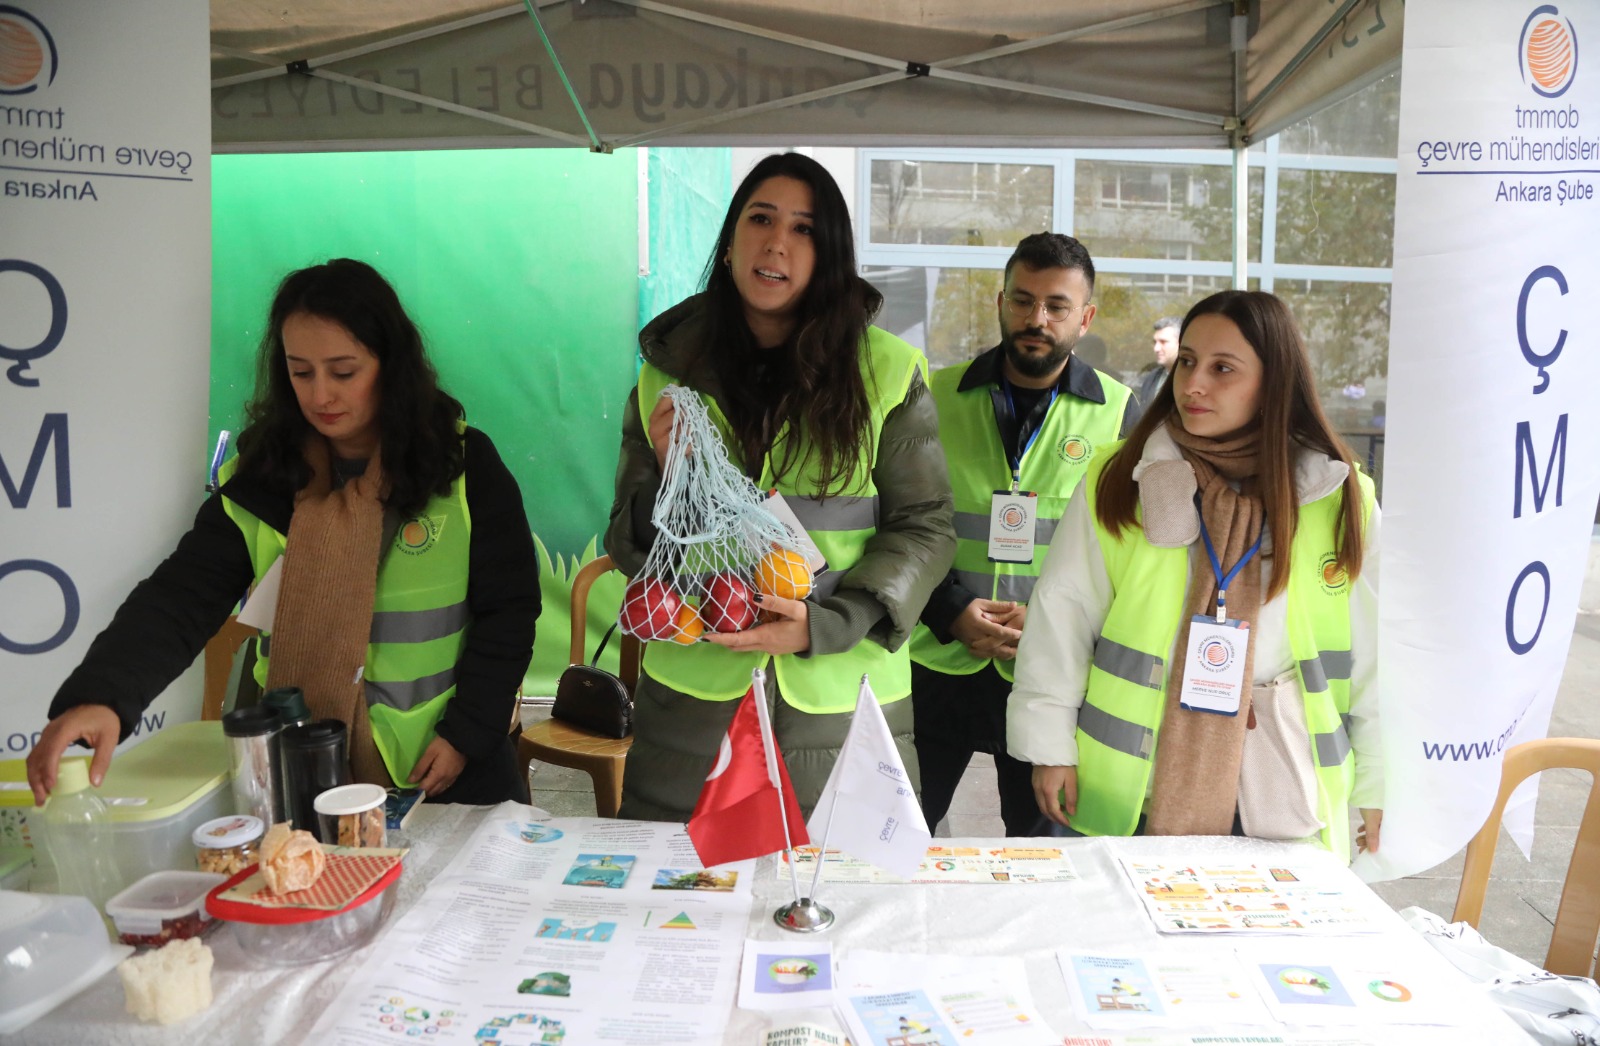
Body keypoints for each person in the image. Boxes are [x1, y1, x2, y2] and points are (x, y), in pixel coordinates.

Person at [26, 259, 540, 806]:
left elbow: (509, 610)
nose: (321, 395)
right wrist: (103, 696)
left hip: (447, 768)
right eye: (301, 372)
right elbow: (181, 596)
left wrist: (465, 733)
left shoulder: (460, 465)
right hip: (306, 771)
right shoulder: (265, 476)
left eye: (343, 372)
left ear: (390, 365)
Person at [604, 152, 956, 822]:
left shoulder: (887, 370)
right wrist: (667, 474)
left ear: (829, 255)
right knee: (684, 902)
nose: (776, 243)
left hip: (841, 700)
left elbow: (926, 525)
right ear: (731, 239)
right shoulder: (665, 377)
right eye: (760, 219)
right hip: (694, 705)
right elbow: (629, 540)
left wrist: (830, 622)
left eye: (804, 230)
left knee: (847, 903)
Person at [1007, 290, 1382, 859]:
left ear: (1275, 381)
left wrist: (1378, 784)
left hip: (1284, 788)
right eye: (1186, 361)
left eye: (1222, 368)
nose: (1192, 384)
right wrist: (1050, 745)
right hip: (1136, 787)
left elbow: (1379, 656)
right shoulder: (1122, 475)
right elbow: (1063, 614)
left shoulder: (1337, 493)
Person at [910, 233, 1137, 836]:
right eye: (1023, 300)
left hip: (1048, 677)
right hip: (936, 662)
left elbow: (1128, 560)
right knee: (891, 837)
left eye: (1057, 306)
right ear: (1001, 301)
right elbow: (898, 525)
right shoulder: (932, 397)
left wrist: (1045, 619)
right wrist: (951, 609)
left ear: (1084, 317)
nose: (1037, 319)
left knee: (1046, 864)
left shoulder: (1121, 416)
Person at [1135, 316, 1180, 411]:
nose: (1156, 348)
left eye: (1163, 342)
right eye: (1155, 342)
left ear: (1181, 342)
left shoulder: (1195, 379)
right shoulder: (1151, 379)